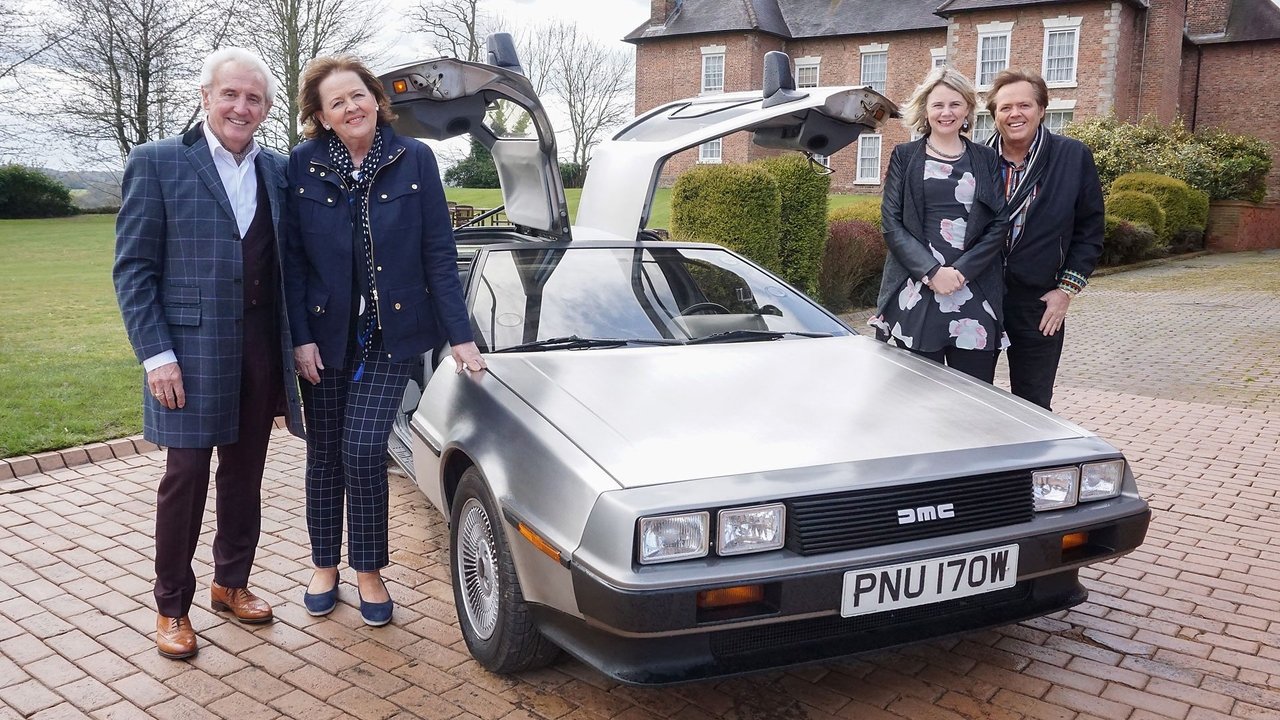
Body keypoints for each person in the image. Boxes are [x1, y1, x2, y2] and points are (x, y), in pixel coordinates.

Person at [113, 48, 304, 660]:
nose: (241, 107)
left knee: (245, 476)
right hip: (189, 352)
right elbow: (134, 270)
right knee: (187, 476)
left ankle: (231, 582)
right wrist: (155, 354)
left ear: (267, 109)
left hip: (259, 348)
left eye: (254, 99)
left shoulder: (278, 170)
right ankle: (172, 606)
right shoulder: (159, 163)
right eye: (231, 95)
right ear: (205, 96)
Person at [284, 55, 485, 627]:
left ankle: (367, 571)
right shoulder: (303, 165)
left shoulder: (414, 159)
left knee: (364, 451)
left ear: (376, 99)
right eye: (337, 102)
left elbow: (438, 256)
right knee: (324, 457)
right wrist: (300, 339)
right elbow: (293, 263)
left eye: (359, 95)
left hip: (389, 336)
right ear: (320, 117)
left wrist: (461, 337)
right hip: (323, 340)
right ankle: (325, 565)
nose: (352, 107)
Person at [870, 67, 1010, 382]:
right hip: (919, 290)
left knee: (973, 397)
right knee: (916, 399)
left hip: (973, 290)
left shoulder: (985, 158)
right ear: (925, 110)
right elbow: (891, 223)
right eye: (938, 105)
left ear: (967, 110)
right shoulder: (904, 156)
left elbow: (998, 223)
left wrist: (960, 273)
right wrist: (932, 273)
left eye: (955, 104)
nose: (946, 112)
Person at [986, 69, 1105, 410]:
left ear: (1041, 110)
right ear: (994, 114)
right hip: (981, 298)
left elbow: (1090, 230)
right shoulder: (977, 159)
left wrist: (1065, 291)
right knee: (972, 400)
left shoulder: (1072, 156)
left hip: (1038, 302)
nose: (1015, 114)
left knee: (1034, 404)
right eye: (1005, 107)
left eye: (1024, 105)